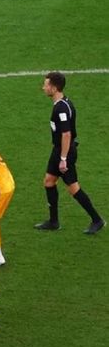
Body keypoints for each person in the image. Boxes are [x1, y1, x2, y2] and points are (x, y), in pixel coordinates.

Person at [34, 72, 105, 235]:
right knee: (49, 181)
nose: (43, 87)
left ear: (54, 87)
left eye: (46, 84)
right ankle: (53, 221)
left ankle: (97, 219)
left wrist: (63, 159)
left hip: (64, 152)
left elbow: (66, 134)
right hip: (59, 150)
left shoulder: (61, 109)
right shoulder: (62, 104)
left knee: (73, 188)